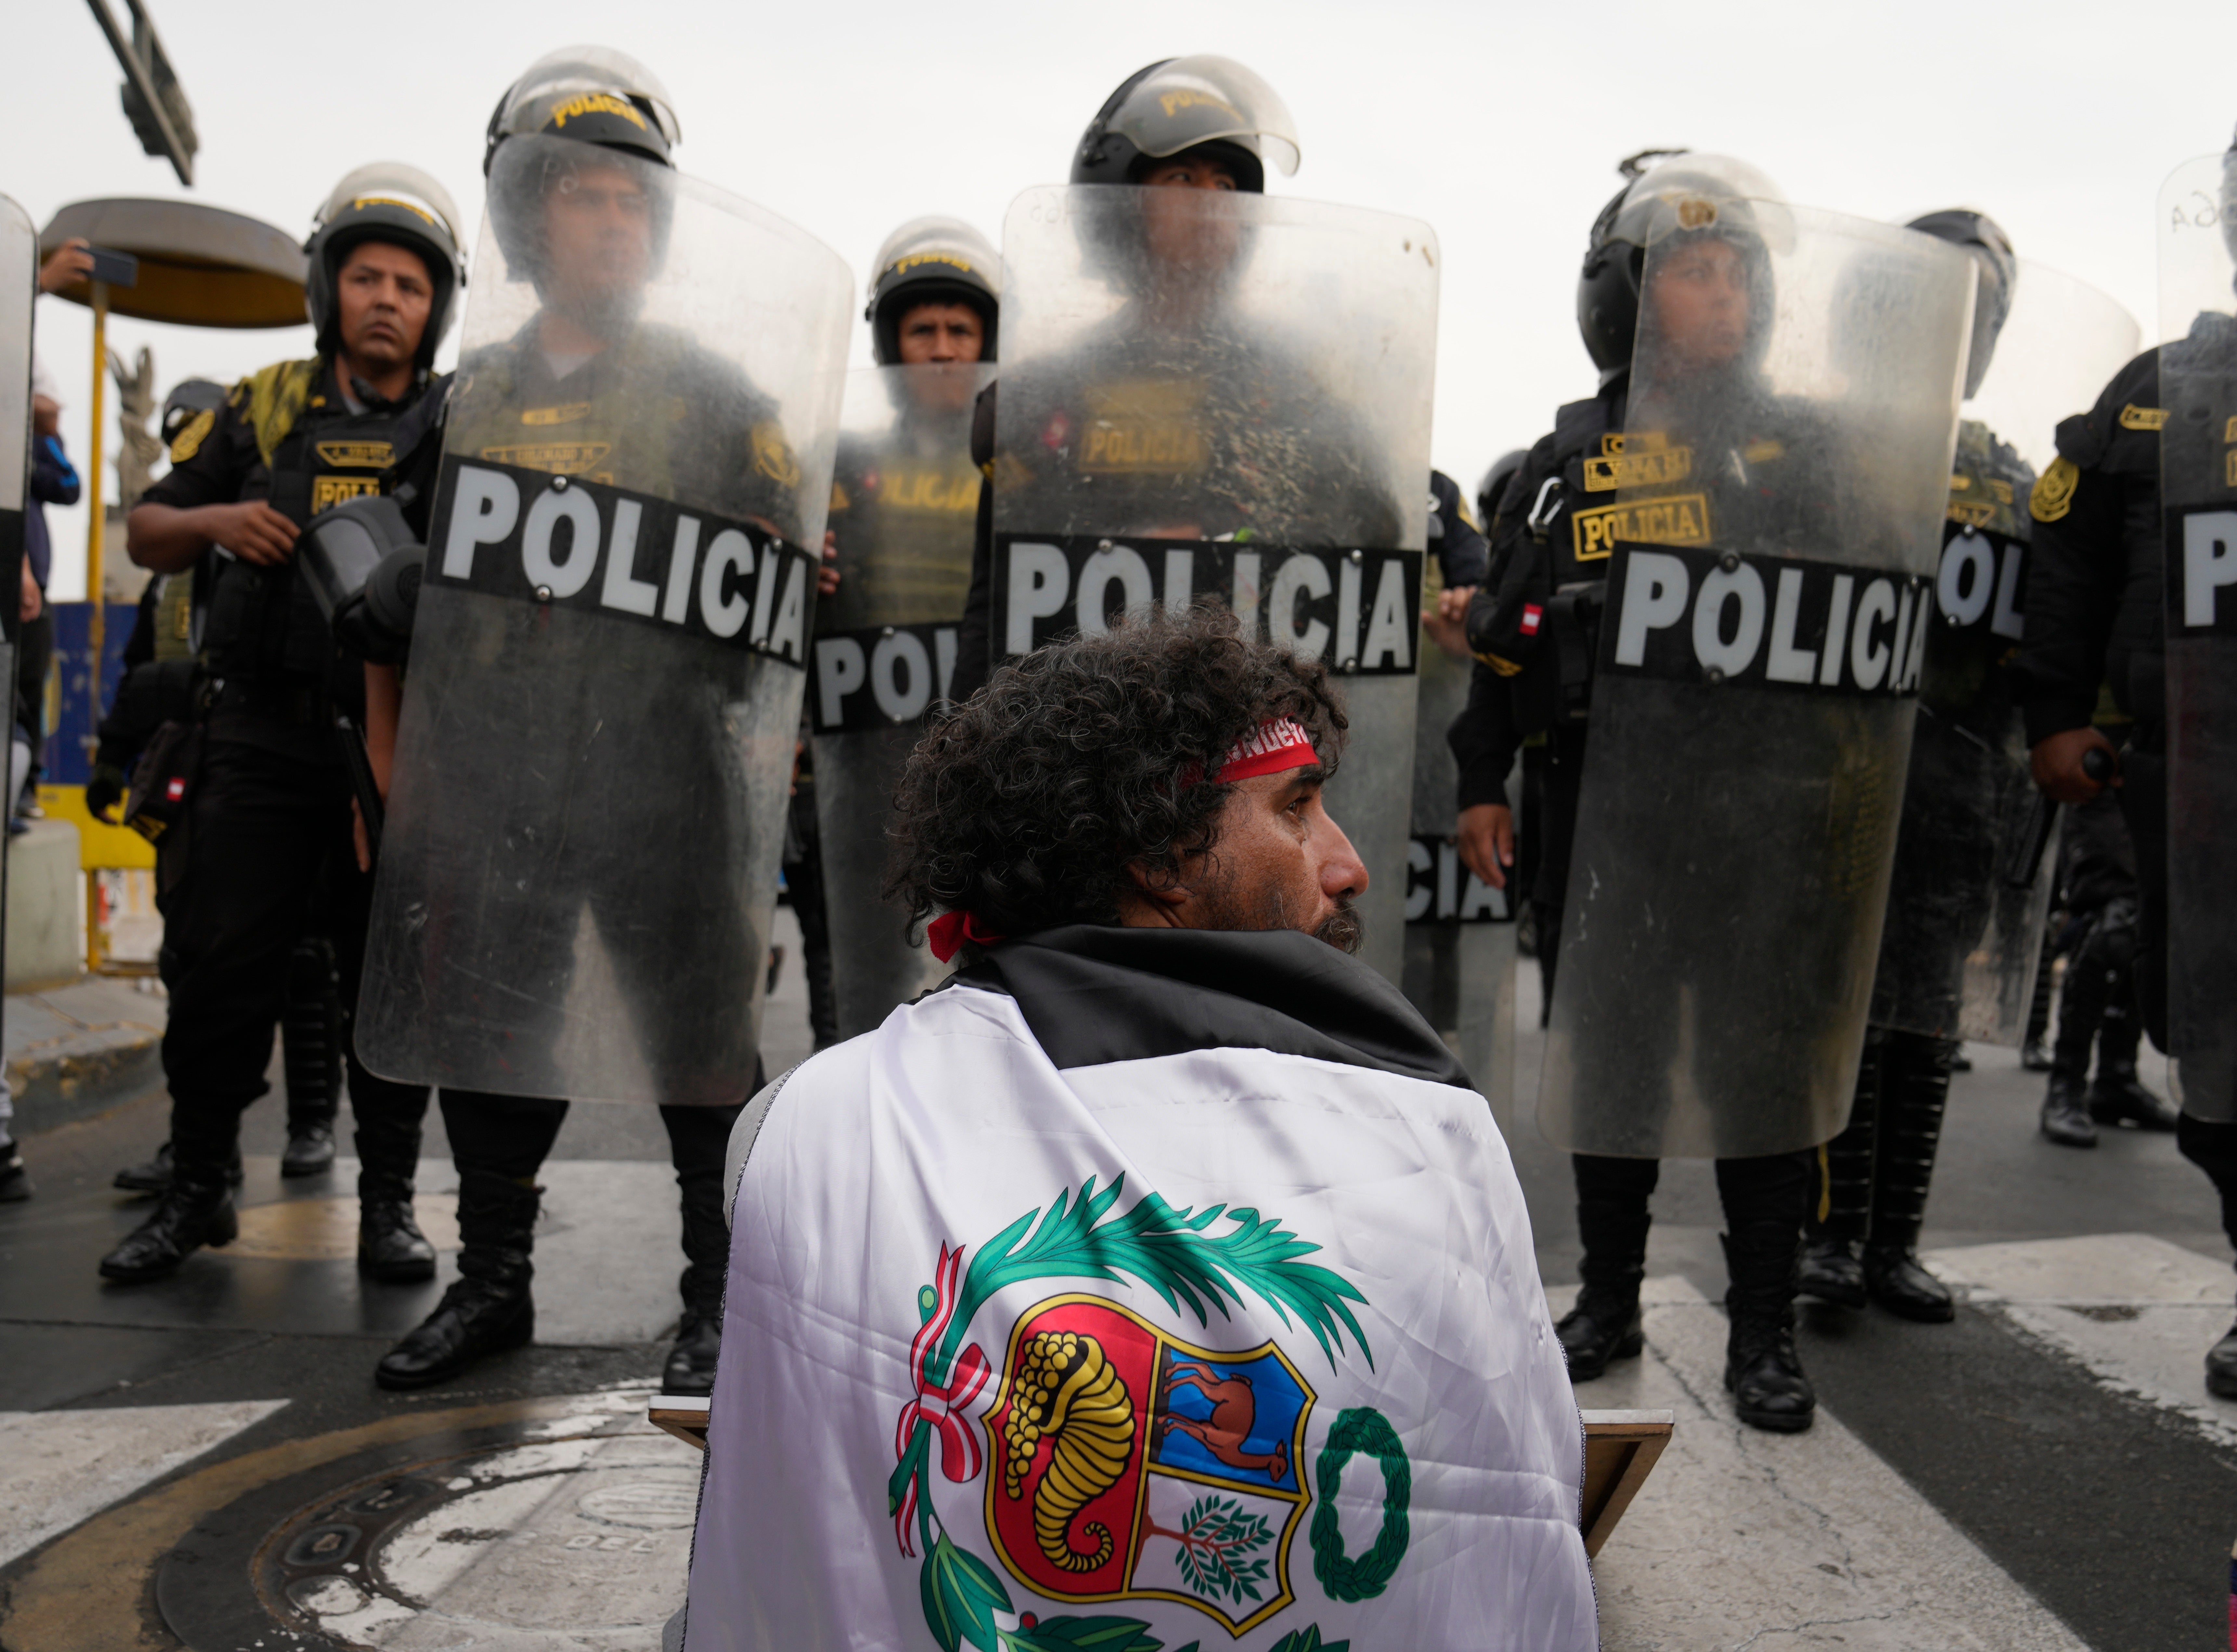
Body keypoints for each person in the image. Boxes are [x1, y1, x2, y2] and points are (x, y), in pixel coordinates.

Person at [679, 606, 1596, 1652]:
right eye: (1297, 810)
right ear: (1162, 852)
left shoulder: (804, 1120)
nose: (1346, 864)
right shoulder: (1431, 1131)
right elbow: (1513, 1511)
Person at [1454, 151, 1956, 1433]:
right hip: (1601, 821)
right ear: (1628, 292)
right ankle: (1608, 1302)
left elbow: (1871, 650)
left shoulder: (1812, 452)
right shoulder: (1571, 457)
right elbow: (1508, 642)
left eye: (1738, 270)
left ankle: (1764, 1334)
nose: (1719, 290)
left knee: (1759, 1079)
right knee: (1611, 1060)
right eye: (1689, 268)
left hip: (1763, 826)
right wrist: (1477, 781)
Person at [360, 46, 815, 1395]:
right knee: (494, 1040)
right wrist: (399, 773)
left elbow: (794, 595)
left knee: (697, 1049)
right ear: (527, 218)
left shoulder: (722, 400)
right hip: (502, 781)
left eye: (633, 201)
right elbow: (387, 584)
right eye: (582, 198)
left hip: (668, 777)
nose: (613, 221)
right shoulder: (470, 400)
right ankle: (491, 1282)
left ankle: (720, 1298)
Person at [92, 165, 466, 1289]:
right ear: (329, 287)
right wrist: (216, 518)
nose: (387, 298)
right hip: (253, 735)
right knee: (218, 973)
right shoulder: (257, 404)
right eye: (365, 276)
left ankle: (389, 1204)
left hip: (391, 747)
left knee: (383, 985)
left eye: (409, 281)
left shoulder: (466, 420)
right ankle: (199, 1182)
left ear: (436, 303)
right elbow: (149, 527)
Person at [949, 54, 1401, 705]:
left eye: (1227, 186)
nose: (1211, 205)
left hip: (1250, 721)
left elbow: (1376, 527)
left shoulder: (1295, 383)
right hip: (1096, 725)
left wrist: (1232, 543)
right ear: (1121, 208)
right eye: (1183, 178)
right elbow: (994, 603)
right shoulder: (1053, 391)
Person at [2018, 121, 2237, 1397]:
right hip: (2198, 779)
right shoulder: (2163, 386)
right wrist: (2052, 710)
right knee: (2208, 1040)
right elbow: (2070, 560)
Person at [804, 216, 1000, 1041]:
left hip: (985, 773)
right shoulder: (838, 464)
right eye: (924, 329)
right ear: (891, 346)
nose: (946, 348)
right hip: (862, 777)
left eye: (963, 330)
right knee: (854, 992)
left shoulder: (1025, 465)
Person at [2035, 789, 2178, 1145]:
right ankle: (2065, 1083)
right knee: (2118, 913)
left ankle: (2117, 1077)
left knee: (2154, 911)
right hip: (2107, 769)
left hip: (2177, 774)